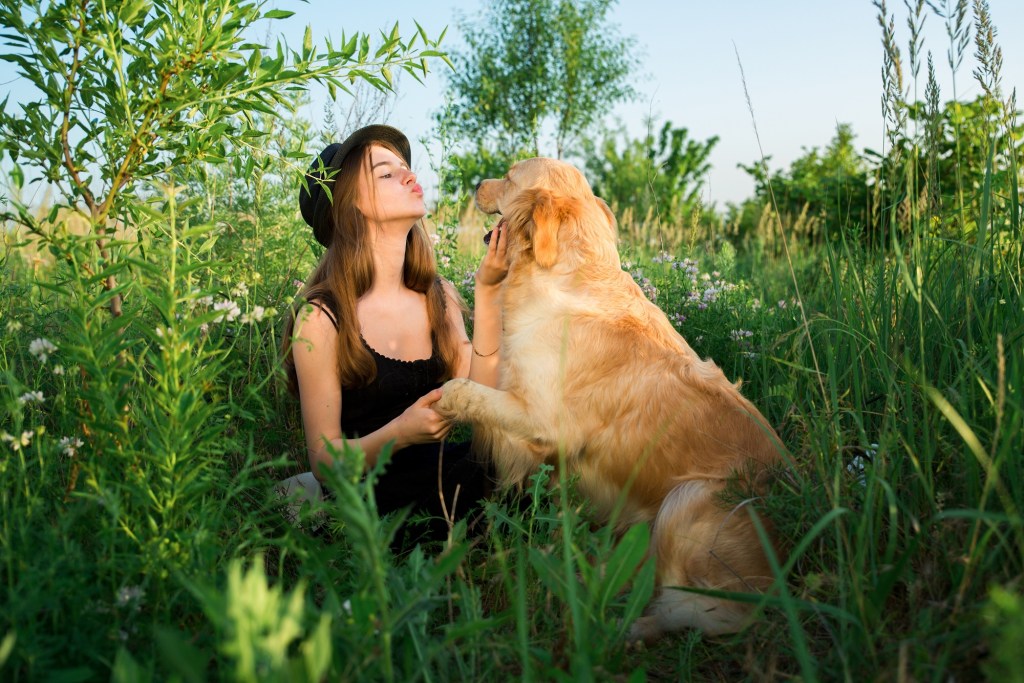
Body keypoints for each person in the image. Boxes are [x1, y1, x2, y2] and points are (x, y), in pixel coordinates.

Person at [279, 124, 508, 546]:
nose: (409, 176)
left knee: (517, 470)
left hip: (438, 474)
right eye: (386, 173)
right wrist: (401, 433)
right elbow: (325, 459)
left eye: (406, 167)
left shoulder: (438, 298)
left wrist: (489, 291)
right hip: (366, 493)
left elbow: (484, 394)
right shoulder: (321, 318)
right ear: (352, 205)